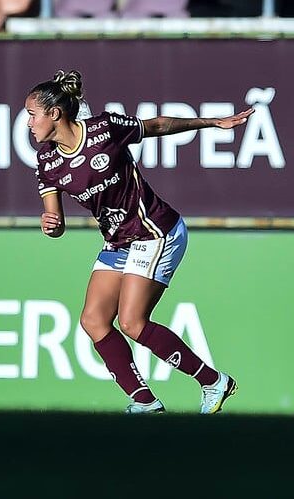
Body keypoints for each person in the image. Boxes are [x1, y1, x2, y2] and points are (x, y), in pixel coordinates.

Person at [26, 70, 253, 414]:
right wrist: (51, 225)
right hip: (118, 241)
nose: (28, 123)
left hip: (156, 231)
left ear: (54, 114)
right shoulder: (47, 161)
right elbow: (55, 223)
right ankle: (144, 401)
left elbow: (157, 125)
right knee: (94, 320)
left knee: (132, 322)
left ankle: (213, 381)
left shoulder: (103, 130)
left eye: (32, 114)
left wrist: (213, 123)